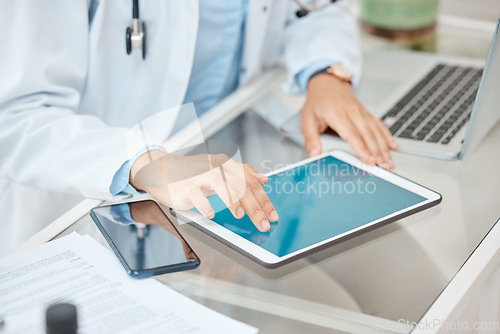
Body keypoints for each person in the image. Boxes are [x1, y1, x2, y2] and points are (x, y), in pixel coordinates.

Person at [0, 0, 397, 255]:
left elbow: (318, 8)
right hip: (91, 211)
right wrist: (146, 162)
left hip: (234, 188)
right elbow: (19, 115)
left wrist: (325, 72)